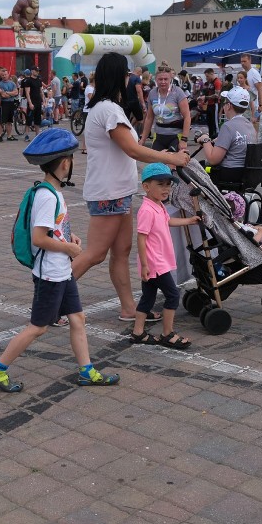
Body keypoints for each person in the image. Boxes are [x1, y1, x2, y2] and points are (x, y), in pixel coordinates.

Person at [0, 129, 120, 392]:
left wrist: (70, 236)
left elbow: (50, 229)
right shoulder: (48, 196)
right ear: (65, 163)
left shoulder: (50, 193)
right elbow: (38, 238)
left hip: (62, 271)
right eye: (71, 160)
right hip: (50, 273)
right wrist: (68, 247)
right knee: (38, 327)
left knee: (78, 318)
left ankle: (87, 370)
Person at [71, 52, 190, 323]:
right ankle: (51, 300)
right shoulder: (108, 110)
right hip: (108, 193)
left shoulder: (106, 108)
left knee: (122, 251)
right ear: (119, 77)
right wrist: (170, 158)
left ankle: (129, 309)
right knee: (95, 254)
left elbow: (130, 149)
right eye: (126, 74)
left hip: (119, 192)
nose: (129, 79)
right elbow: (133, 149)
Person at [125, 163, 199, 348]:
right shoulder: (147, 210)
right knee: (173, 295)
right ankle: (168, 334)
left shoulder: (158, 205)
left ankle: (138, 333)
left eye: (168, 184)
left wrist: (188, 220)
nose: (166, 189)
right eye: (160, 184)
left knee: (148, 297)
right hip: (155, 263)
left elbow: (168, 221)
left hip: (157, 262)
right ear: (146, 187)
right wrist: (144, 264)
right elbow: (141, 239)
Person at [195, 87, 257, 186]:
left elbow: (213, 159)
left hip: (229, 172)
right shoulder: (249, 125)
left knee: (197, 167)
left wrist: (205, 139)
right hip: (246, 172)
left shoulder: (228, 126)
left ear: (228, 106)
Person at [139, 66, 191, 152]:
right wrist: (143, 139)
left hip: (175, 136)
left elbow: (187, 117)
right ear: (156, 79)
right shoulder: (152, 93)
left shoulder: (178, 92)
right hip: (159, 135)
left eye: (166, 79)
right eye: (160, 79)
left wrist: (184, 139)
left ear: (171, 79)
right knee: (156, 164)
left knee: (172, 164)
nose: (163, 82)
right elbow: (149, 118)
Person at [0, 67, 18, 141]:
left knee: (10, 121)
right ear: (1, 76)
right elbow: (3, 95)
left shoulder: (12, 83)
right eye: (3, 75)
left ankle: (9, 136)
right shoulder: (0, 84)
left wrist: (8, 93)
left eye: (5, 74)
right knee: (1, 121)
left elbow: (16, 92)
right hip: (4, 103)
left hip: (11, 103)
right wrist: (11, 93)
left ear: (8, 74)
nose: (4, 76)